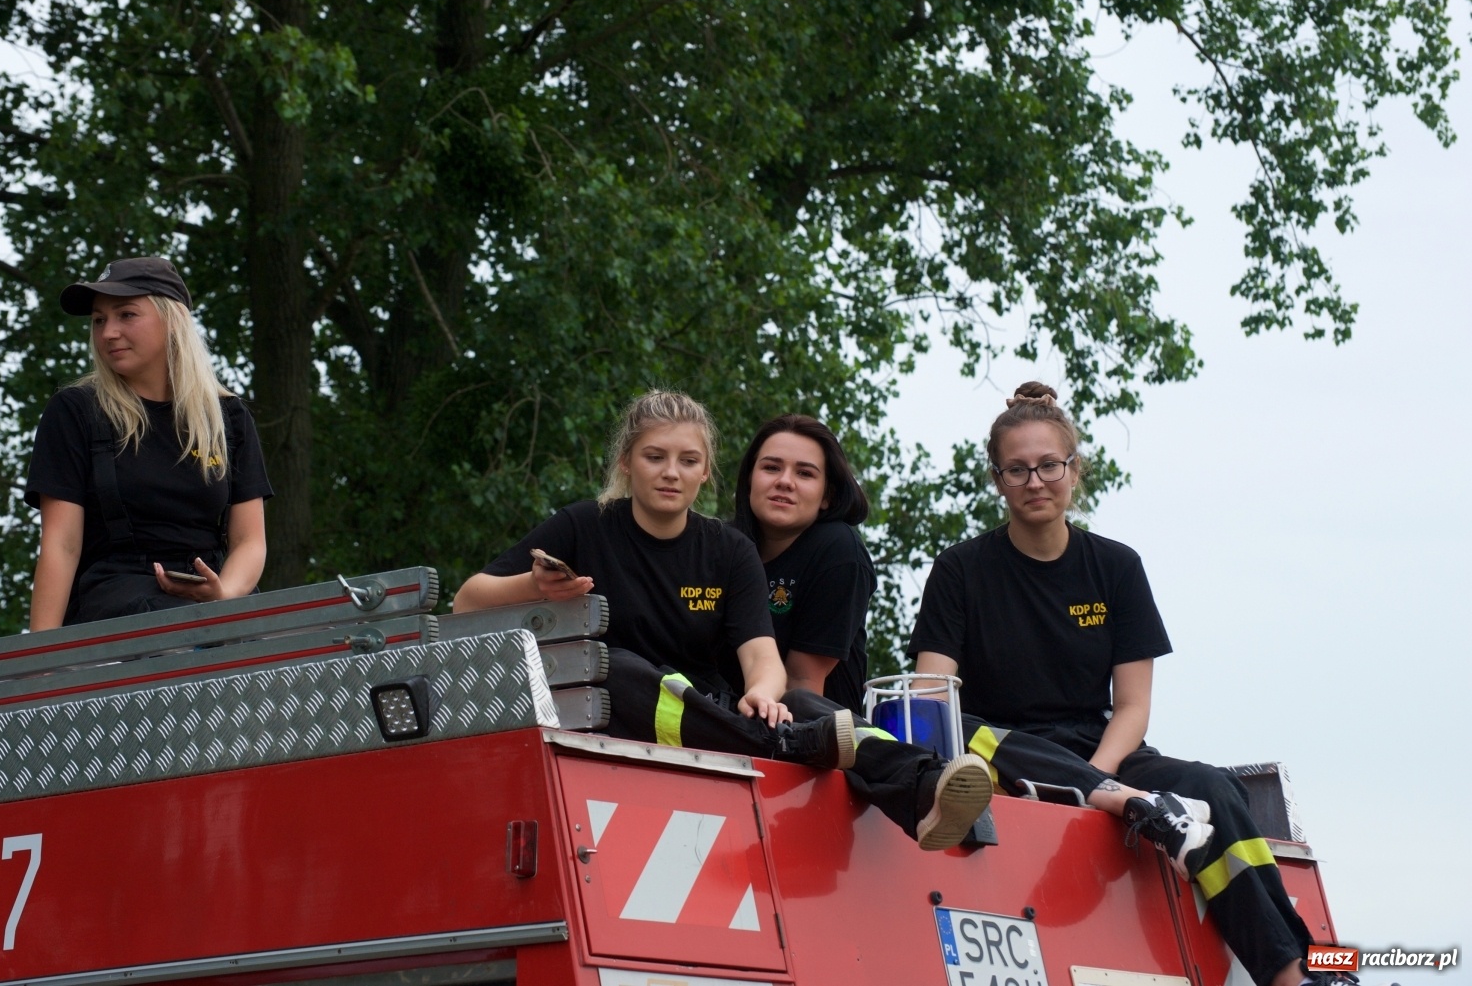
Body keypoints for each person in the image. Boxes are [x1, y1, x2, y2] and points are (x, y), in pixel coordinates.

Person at [910, 382, 1342, 986]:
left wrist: (1098, 779)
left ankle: (1294, 972)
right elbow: (933, 695)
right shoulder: (960, 569)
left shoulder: (1116, 567)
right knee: (962, 726)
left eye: (1049, 466)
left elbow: (1133, 706)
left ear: (1074, 470)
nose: (1035, 481)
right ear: (998, 480)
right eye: (1017, 469)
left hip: (1107, 755)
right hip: (1004, 753)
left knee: (1211, 787)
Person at [455, 390, 992, 850]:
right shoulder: (583, 524)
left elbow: (762, 655)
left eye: (688, 460)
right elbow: (465, 602)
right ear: (626, 462)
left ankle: (927, 787)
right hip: (619, 712)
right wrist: (534, 587)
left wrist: (763, 692)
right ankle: (786, 743)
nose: (671, 472)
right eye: (654, 456)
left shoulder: (730, 550)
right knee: (613, 666)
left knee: (803, 705)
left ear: (705, 470)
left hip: (715, 720)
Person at [25, 257, 273, 630]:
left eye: (126, 315)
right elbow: (62, 545)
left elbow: (250, 541)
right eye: (98, 320)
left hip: (217, 609)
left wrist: (224, 595)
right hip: (117, 605)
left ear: (172, 320)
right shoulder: (77, 411)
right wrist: (41, 665)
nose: (108, 332)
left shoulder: (227, 418)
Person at [731, 414, 872, 712]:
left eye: (805, 474)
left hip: (811, 736)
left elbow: (802, 683)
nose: (784, 482)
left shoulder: (839, 549)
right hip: (718, 724)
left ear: (827, 496)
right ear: (748, 481)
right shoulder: (720, 546)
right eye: (771, 468)